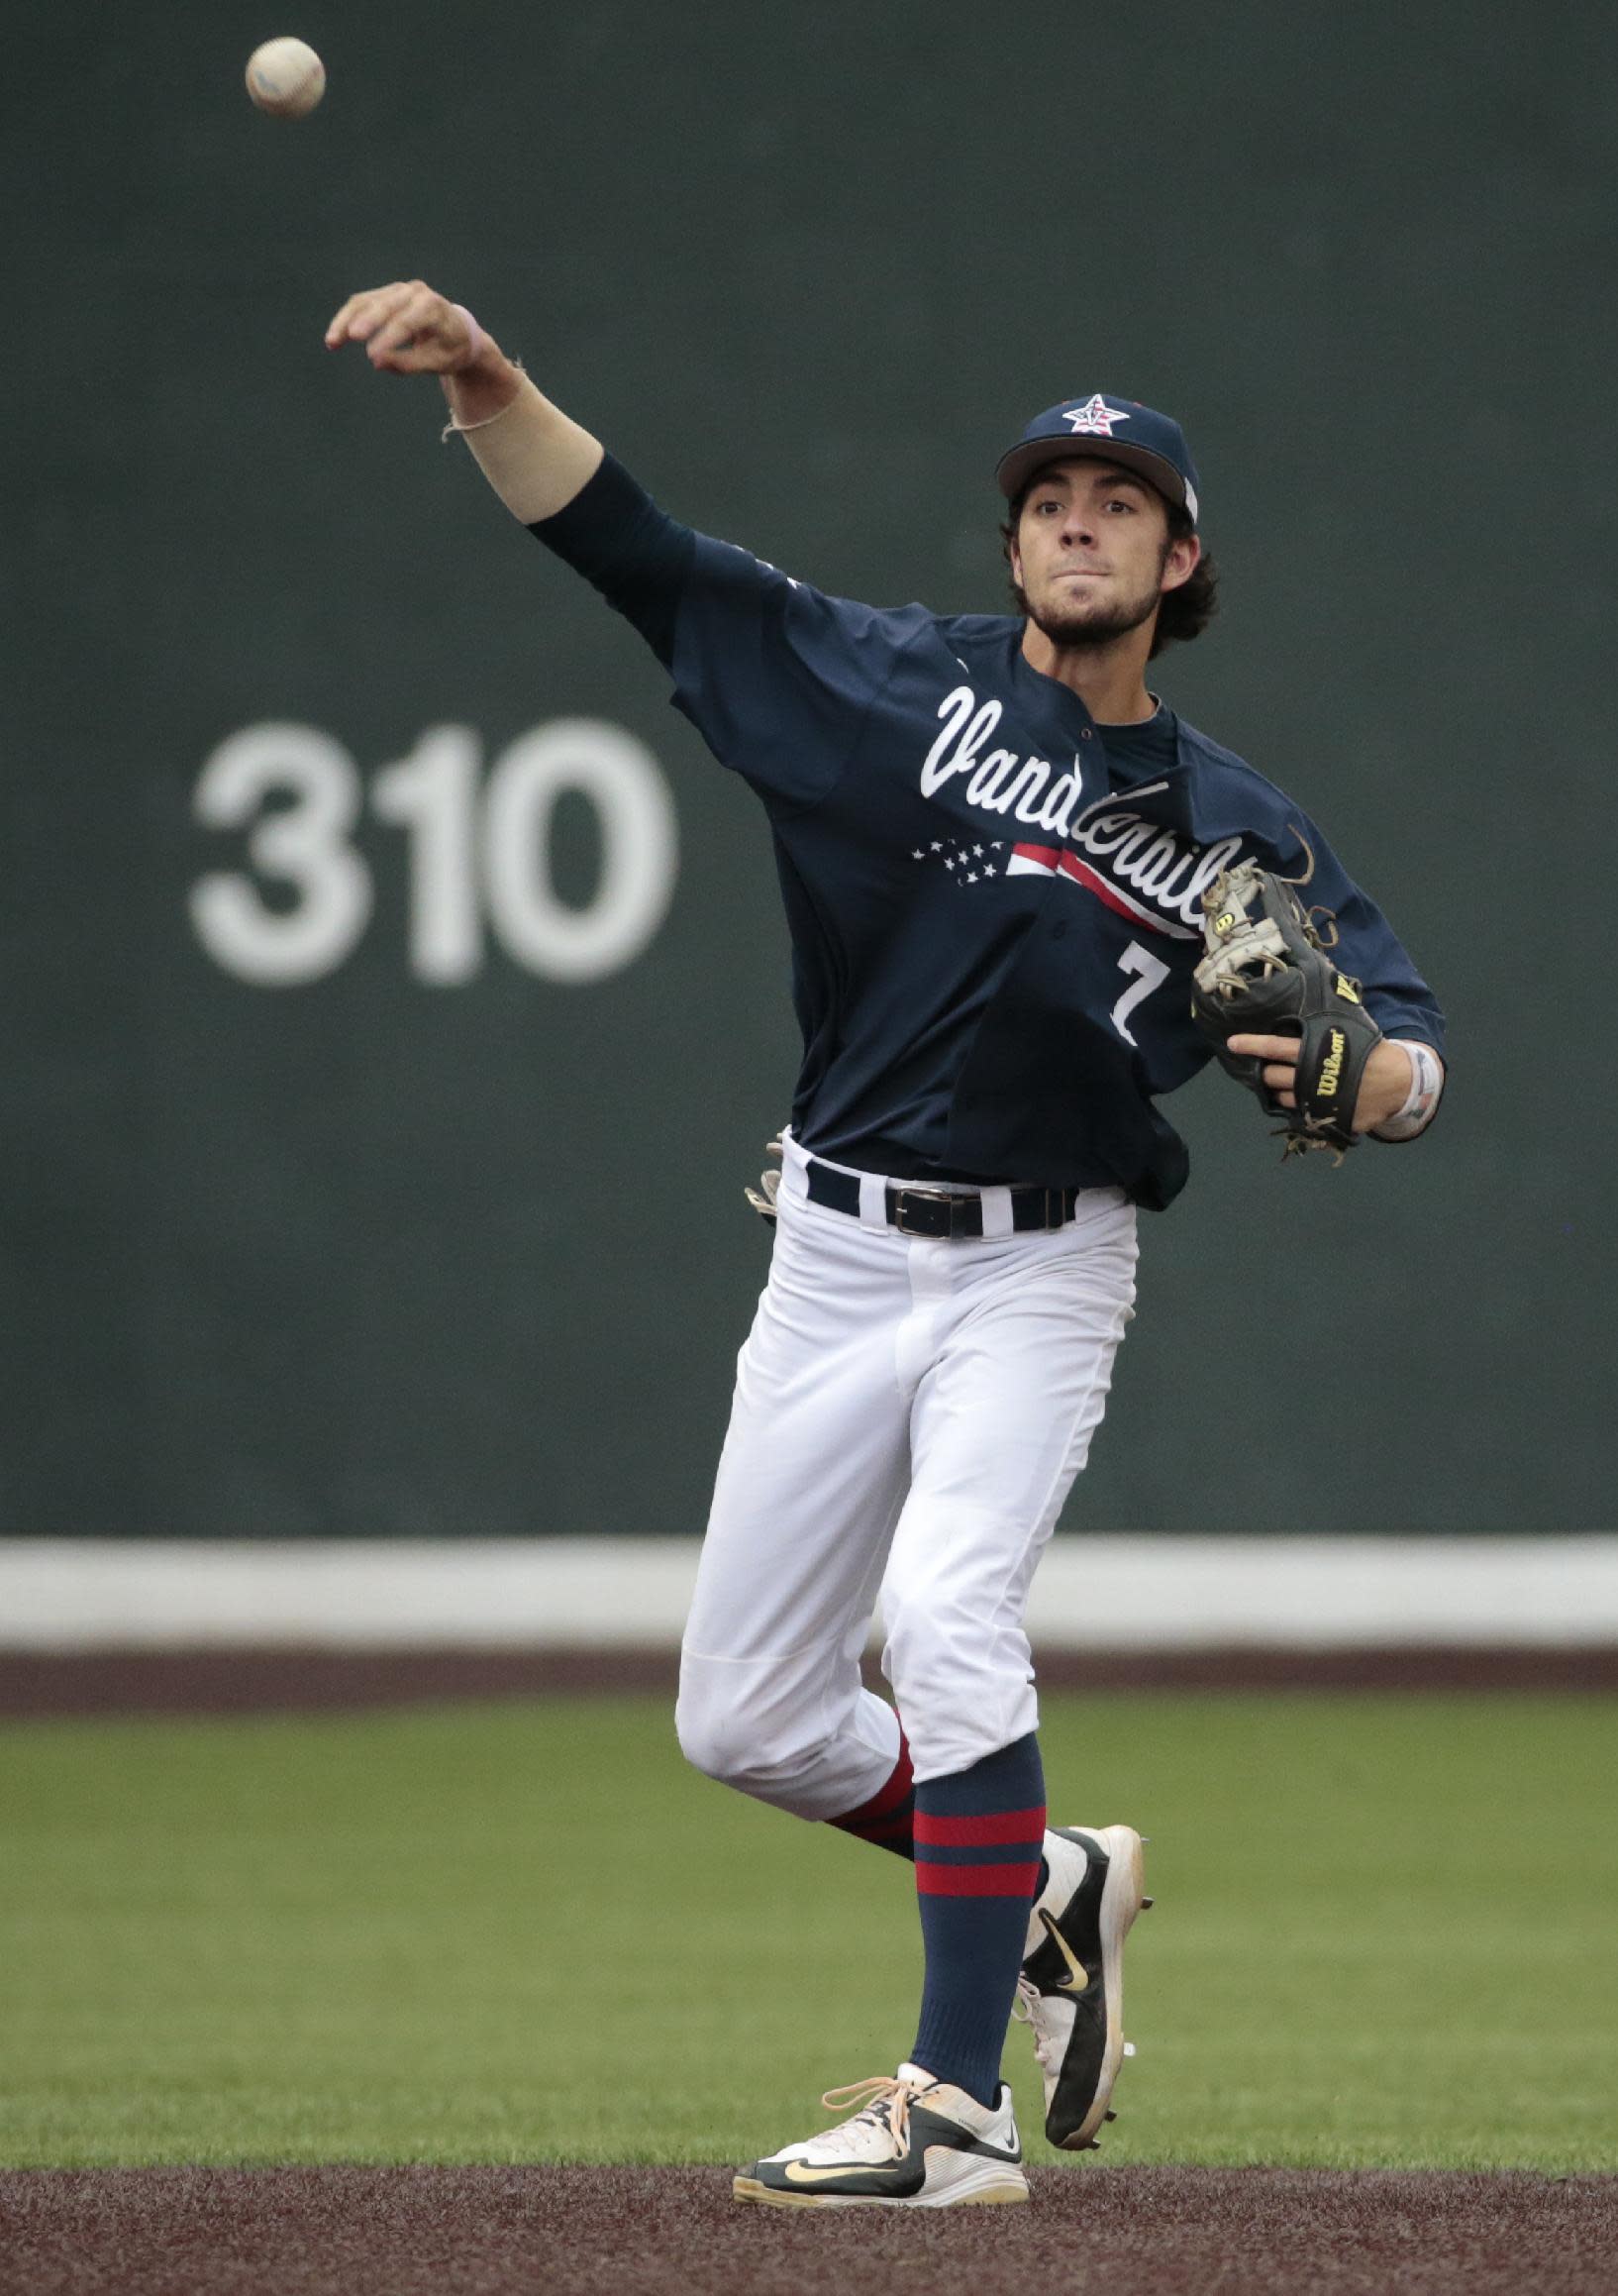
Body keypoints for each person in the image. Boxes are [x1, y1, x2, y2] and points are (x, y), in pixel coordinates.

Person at [326, 283, 1447, 2210]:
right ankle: (1046, 1883)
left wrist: (1366, 1081)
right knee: (744, 1714)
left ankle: (954, 2112)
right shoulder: (876, 686)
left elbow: (1404, 1051)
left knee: (943, 1616)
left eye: (1119, 496)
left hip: (1040, 1263)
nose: (1076, 516)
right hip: (835, 1249)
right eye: (1048, 493)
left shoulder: (1229, 825)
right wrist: (494, 388)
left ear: (1179, 559)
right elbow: (638, 556)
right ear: (1013, 539)